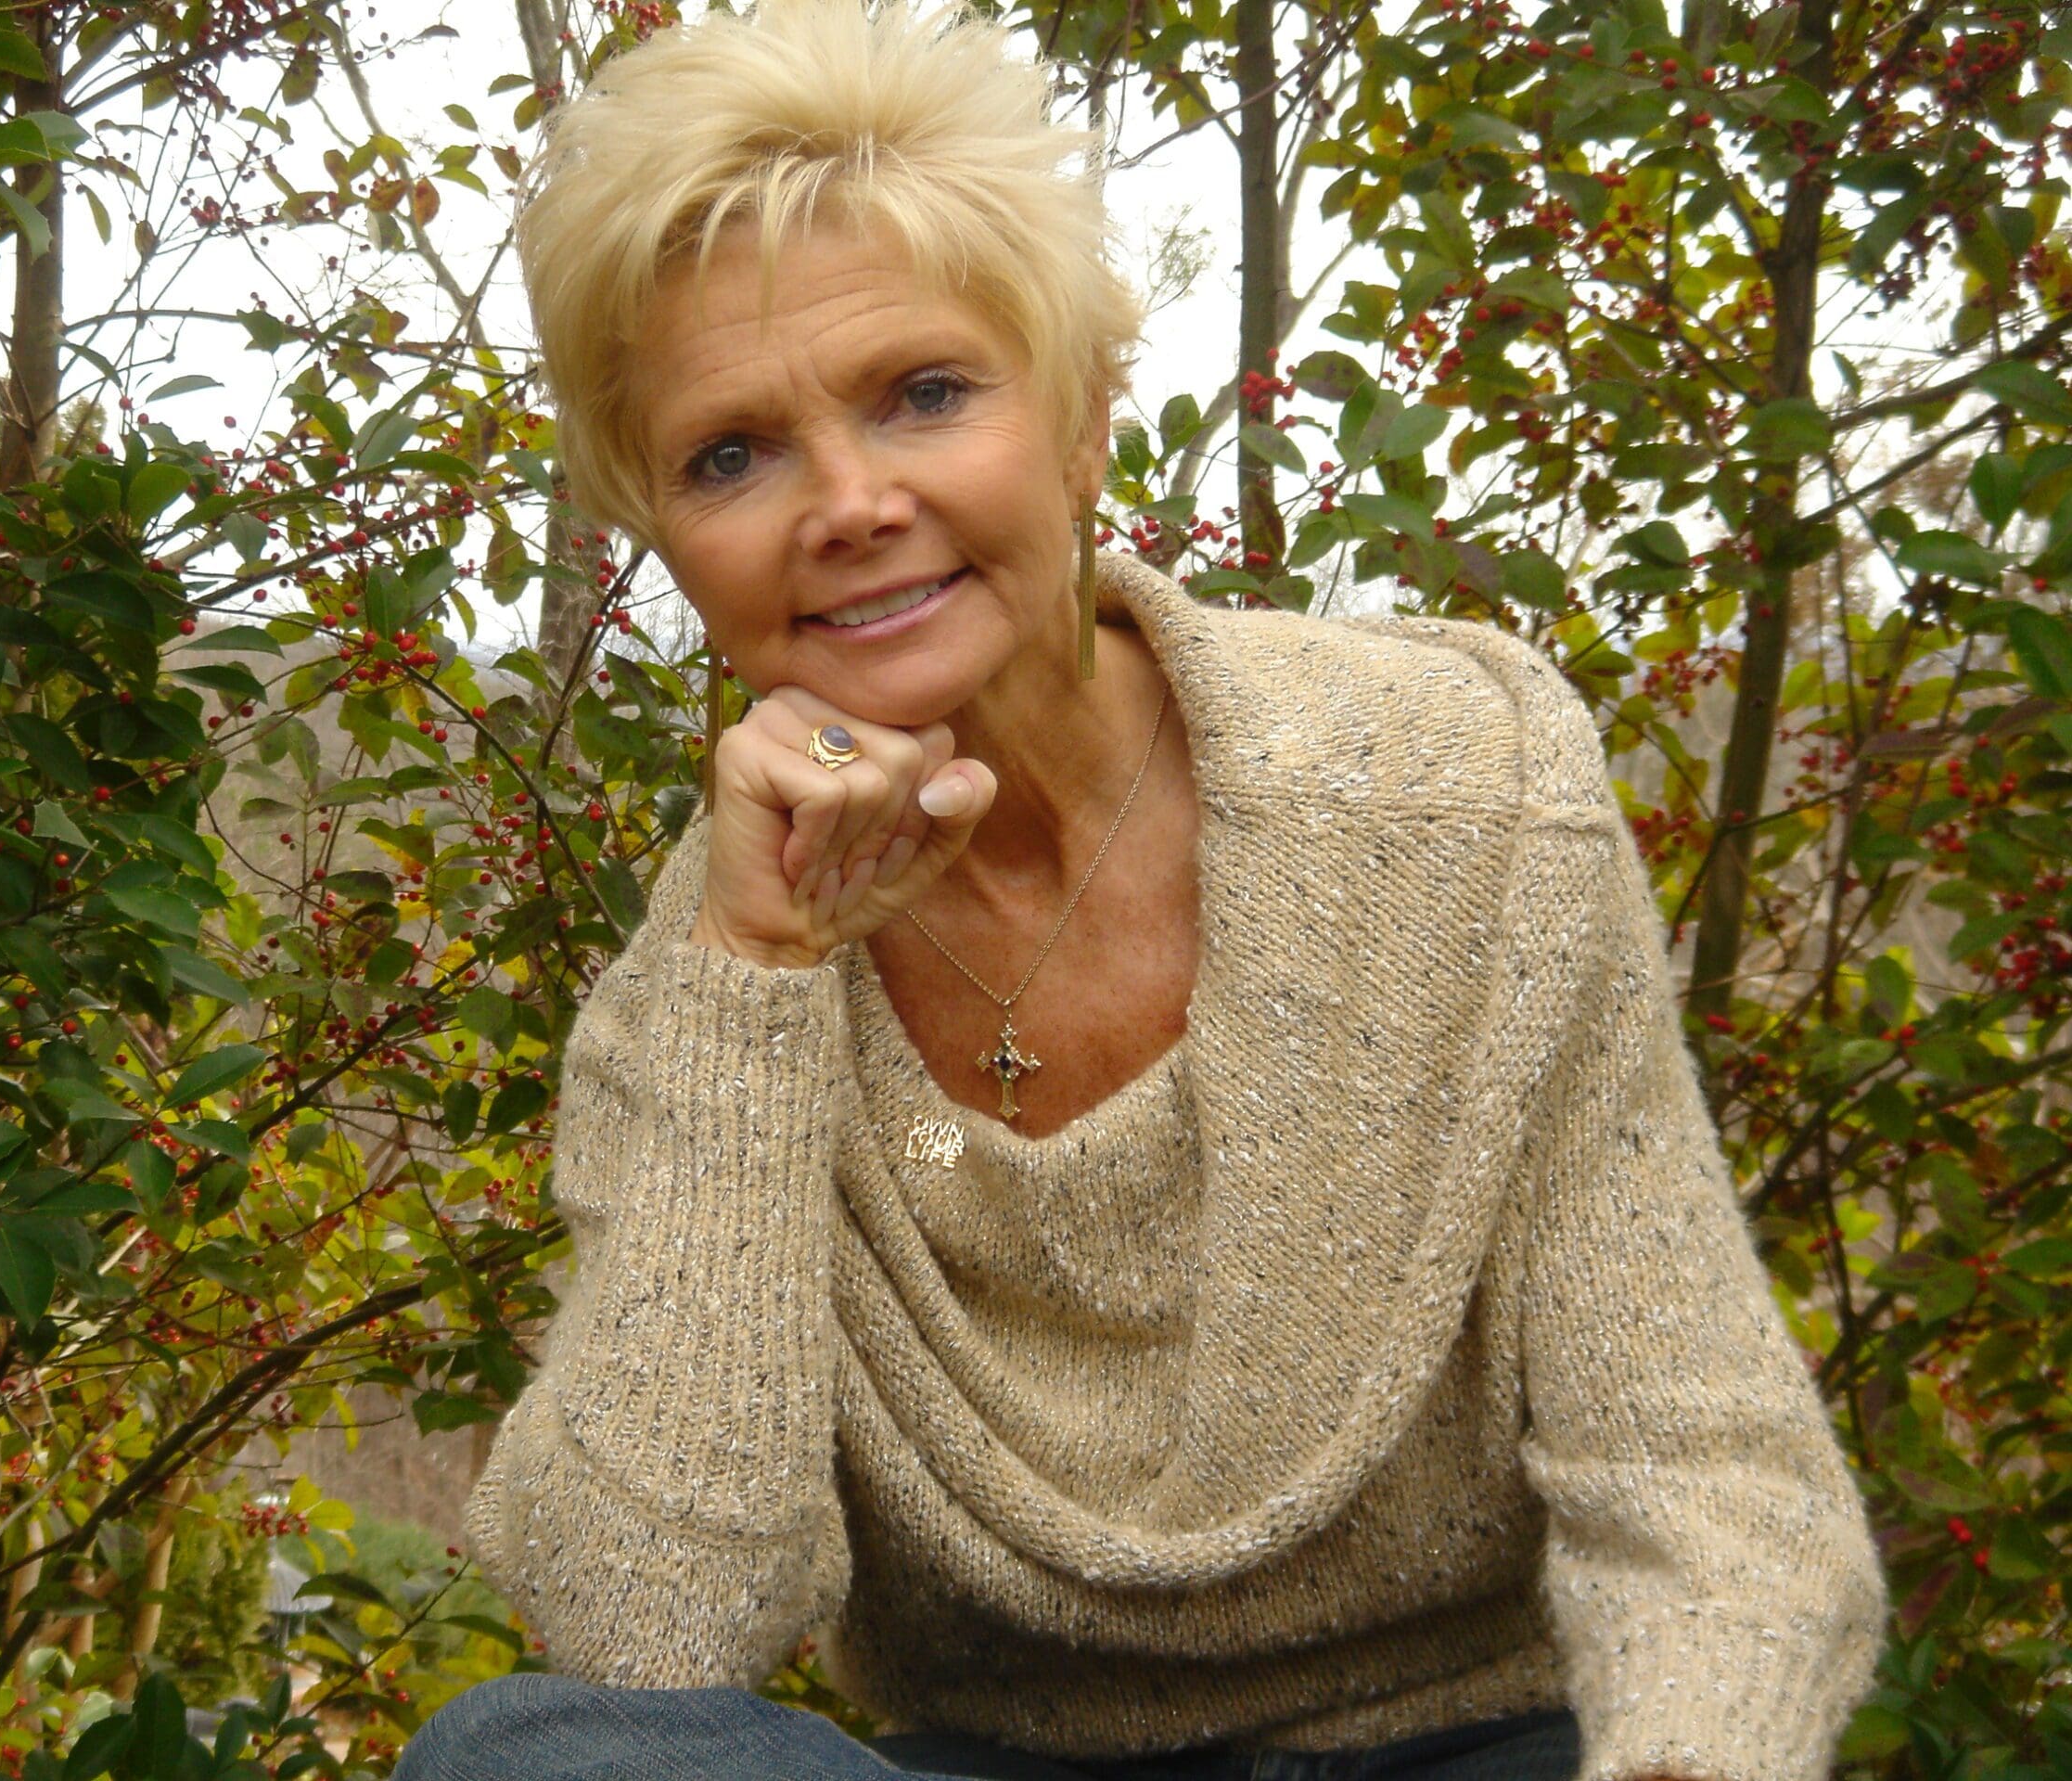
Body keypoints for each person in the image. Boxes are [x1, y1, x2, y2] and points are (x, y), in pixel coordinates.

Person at [397, 4, 1890, 1779]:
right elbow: (654, 1633)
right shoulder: (698, 992)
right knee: (535, 1757)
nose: (851, 502)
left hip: (1476, 1746)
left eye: (926, 393)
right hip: (1009, 1765)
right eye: (733, 455)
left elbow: (1709, 1482)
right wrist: (758, 966)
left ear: (1088, 412)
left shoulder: (1454, 784)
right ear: (667, 536)